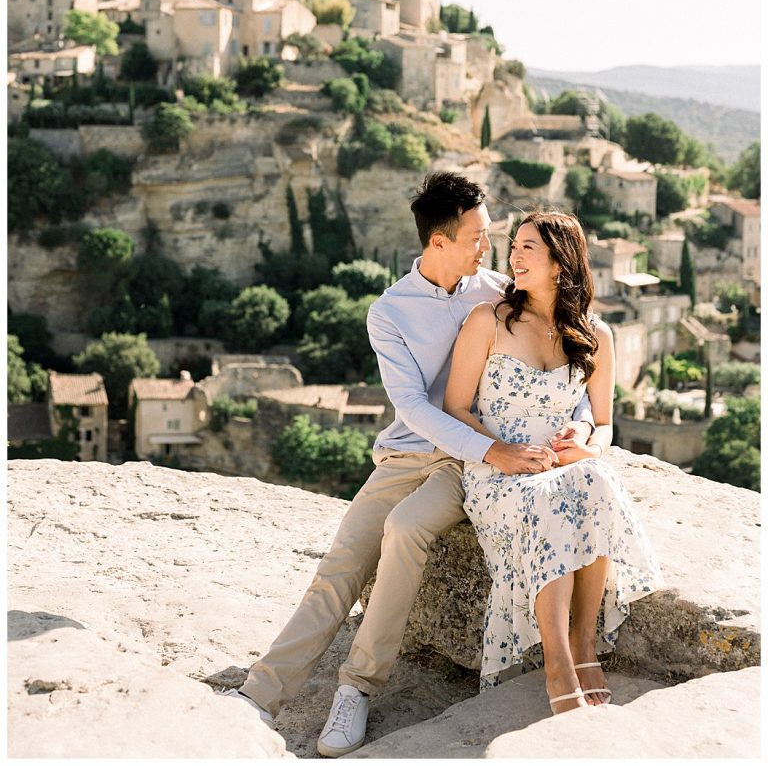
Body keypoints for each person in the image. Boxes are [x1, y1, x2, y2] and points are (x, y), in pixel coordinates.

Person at [226, 174, 594, 754]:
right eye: (477, 235)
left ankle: (357, 688)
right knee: (342, 562)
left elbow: (572, 346)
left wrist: (576, 424)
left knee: (404, 532)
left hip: (463, 460)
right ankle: (257, 696)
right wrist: (495, 449)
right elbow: (413, 407)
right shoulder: (389, 312)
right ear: (439, 242)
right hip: (408, 450)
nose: (489, 246)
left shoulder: (499, 293)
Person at [444, 210, 661, 714]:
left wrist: (587, 446)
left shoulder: (597, 335)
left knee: (596, 481)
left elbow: (604, 424)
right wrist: (505, 452)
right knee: (549, 499)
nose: (513, 258)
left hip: (562, 466)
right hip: (497, 469)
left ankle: (585, 643)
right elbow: (454, 409)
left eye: (528, 249)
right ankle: (559, 663)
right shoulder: (489, 321)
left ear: (561, 263)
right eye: (513, 247)